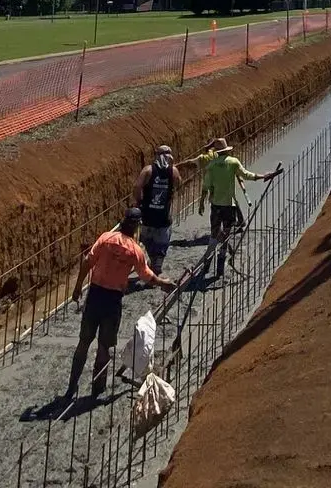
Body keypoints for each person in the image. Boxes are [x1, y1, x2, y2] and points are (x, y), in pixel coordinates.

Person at [66, 207, 177, 400]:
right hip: (112, 301)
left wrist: (77, 288)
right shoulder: (135, 251)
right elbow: (146, 275)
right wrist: (163, 284)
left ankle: (71, 387)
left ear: (123, 221)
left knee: (83, 342)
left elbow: (87, 262)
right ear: (137, 227)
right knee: (104, 347)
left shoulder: (106, 239)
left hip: (94, 296)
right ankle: (97, 390)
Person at [192, 136, 281, 276]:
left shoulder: (211, 165)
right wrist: (264, 176)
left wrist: (202, 203)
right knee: (226, 234)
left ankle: (207, 264)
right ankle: (220, 267)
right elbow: (247, 175)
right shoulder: (233, 162)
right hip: (229, 206)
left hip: (216, 206)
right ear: (227, 150)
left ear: (217, 152)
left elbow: (206, 186)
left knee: (214, 235)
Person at [135, 144, 183, 273]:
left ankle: (150, 265)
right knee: (161, 244)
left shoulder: (148, 170)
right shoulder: (173, 171)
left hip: (147, 215)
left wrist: (139, 203)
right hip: (163, 216)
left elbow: (138, 186)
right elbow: (179, 184)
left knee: (146, 241)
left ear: (156, 155)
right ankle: (156, 267)